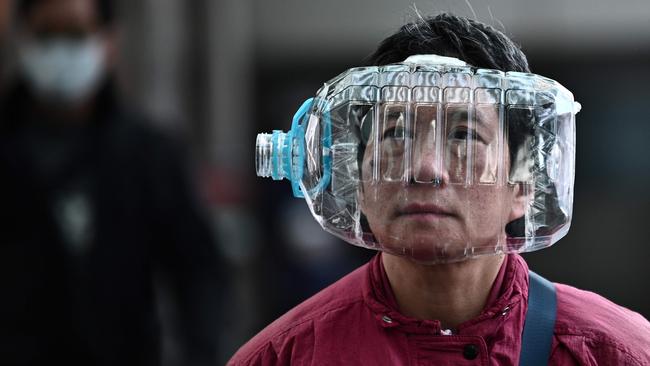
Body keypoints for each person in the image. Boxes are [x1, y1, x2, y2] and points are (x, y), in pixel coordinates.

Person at [230, 13, 650, 365]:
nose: (425, 168)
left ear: (523, 184)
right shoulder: (285, 356)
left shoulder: (612, 353)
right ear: (356, 176)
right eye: (396, 134)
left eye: (464, 136)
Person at [0, 0, 223, 365]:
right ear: (22, 39)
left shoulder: (149, 153)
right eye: (47, 34)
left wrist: (198, 353)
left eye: (74, 34)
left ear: (108, 41)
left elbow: (198, 272)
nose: (60, 49)